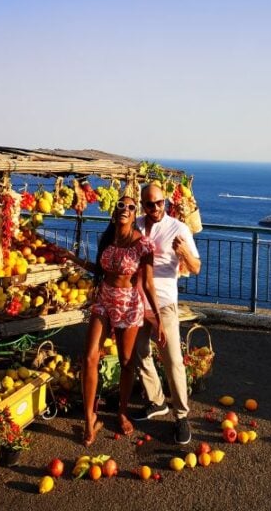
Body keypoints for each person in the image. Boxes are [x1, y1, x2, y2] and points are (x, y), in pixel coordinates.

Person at [68, 195, 166, 447]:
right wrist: (73, 259)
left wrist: (159, 320)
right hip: (104, 300)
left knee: (126, 361)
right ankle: (90, 419)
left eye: (131, 207)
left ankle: (122, 411)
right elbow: (101, 271)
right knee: (90, 357)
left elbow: (148, 284)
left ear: (135, 215)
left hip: (129, 305)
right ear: (115, 212)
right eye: (121, 205)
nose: (125, 209)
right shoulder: (106, 238)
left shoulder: (143, 245)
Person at [133, 182, 201, 445]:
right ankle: (156, 400)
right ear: (143, 204)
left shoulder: (179, 228)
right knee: (139, 352)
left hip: (164, 304)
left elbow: (196, 268)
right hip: (138, 303)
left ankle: (181, 416)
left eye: (160, 203)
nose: (156, 208)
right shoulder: (136, 224)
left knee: (173, 360)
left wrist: (183, 251)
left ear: (166, 202)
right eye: (150, 204)